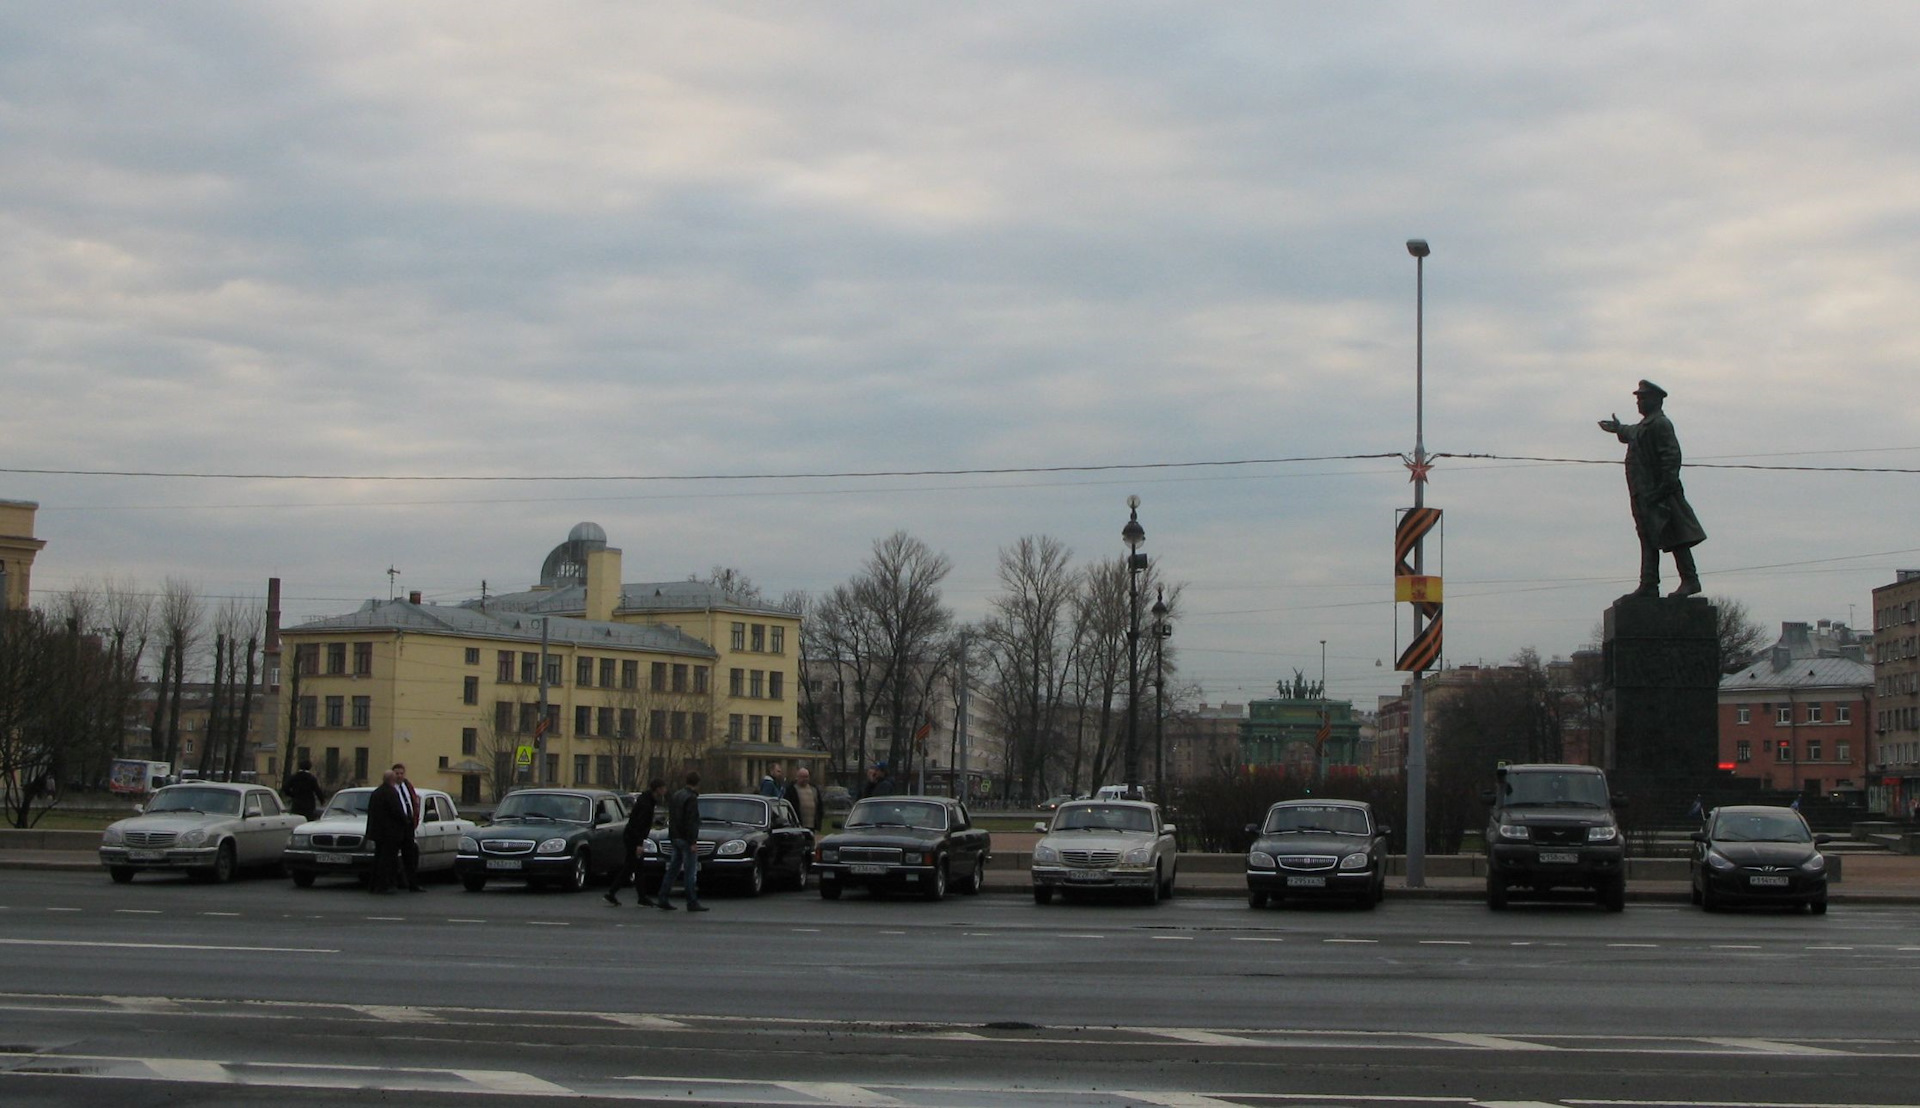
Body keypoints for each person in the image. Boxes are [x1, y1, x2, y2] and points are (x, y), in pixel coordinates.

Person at [1598, 380, 1707, 599]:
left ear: (1656, 400)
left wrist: (1663, 488)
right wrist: (1618, 428)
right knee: (1648, 537)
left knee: (1676, 535)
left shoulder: (1661, 424)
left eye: (1642, 398)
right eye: (1638, 398)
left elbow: (1671, 456)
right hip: (1643, 492)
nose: (1639, 402)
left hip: (1660, 493)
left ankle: (1690, 580)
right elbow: (1632, 432)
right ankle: (1649, 584)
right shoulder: (1646, 425)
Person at [606, 779, 666, 907]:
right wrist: (639, 844)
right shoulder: (646, 803)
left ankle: (638, 896)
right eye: (663, 788)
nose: (665, 791)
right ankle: (614, 893)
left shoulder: (647, 800)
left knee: (635, 867)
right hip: (633, 838)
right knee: (633, 867)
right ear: (658, 789)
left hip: (631, 836)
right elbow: (639, 824)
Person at [656, 771, 707, 912]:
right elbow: (691, 821)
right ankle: (691, 901)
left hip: (675, 837)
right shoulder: (691, 798)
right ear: (697, 783)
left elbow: (673, 818)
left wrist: (673, 836)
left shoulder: (677, 795)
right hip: (686, 839)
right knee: (690, 871)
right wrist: (693, 841)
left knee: (673, 869)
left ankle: (663, 897)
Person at [365, 770, 406, 894]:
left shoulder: (376, 792)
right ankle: (384, 884)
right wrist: (405, 820)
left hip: (377, 832)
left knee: (378, 858)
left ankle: (374, 885)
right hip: (390, 833)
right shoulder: (391, 793)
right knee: (388, 860)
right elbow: (397, 811)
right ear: (392, 780)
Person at [392, 763, 424, 892]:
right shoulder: (391, 788)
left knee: (410, 856)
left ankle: (412, 883)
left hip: (408, 825)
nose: (399, 776)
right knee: (393, 857)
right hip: (396, 826)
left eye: (401, 773)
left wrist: (414, 820)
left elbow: (413, 802)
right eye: (397, 773)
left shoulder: (407, 786)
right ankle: (394, 882)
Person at [785, 766, 823, 832]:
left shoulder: (814, 789)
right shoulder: (791, 789)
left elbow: (819, 805)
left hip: (812, 826)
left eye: (807, 777)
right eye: (803, 777)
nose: (805, 779)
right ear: (797, 777)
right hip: (797, 825)